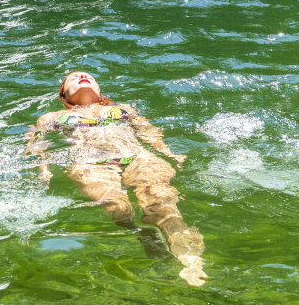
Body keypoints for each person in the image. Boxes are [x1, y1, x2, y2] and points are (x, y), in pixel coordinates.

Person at [25, 69, 207, 286]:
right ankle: (140, 231)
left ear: (99, 89)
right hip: (89, 162)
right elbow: (36, 145)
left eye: (90, 76)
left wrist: (169, 153)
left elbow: (149, 131)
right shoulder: (50, 117)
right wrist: (43, 169)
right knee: (116, 206)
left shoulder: (123, 109)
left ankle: (191, 260)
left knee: (163, 203)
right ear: (63, 95)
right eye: (73, 77)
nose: (83, 77)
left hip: (137, 156)